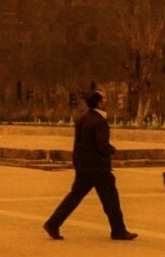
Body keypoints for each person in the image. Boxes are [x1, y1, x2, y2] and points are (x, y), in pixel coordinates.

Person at [43, 91, 137, 241]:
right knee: (111, 198)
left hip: (83, 166)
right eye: (104, 99)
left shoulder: (83, 119)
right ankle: (118, 230)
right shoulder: (100, 121)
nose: (107, 101)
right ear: (99, 103)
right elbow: (101, 145)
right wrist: (112, 150)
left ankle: (53, 223)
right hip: (98, 167)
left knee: (74, 196)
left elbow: (78, 144)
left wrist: (77, 163)